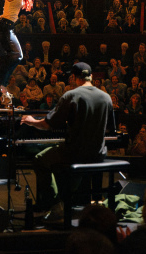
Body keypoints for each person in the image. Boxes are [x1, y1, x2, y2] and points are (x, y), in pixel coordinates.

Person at [20, 62, 115, 222]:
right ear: (91, 76)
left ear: (74, 78)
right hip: (98, 153)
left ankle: (56, 205)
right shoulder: (106, 97)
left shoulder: (71, 95)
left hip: (74, 153)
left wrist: (31, 120)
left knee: (40, 160)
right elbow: (110, 129)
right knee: (66, 159)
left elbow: (47, 125)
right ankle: (69, 200)